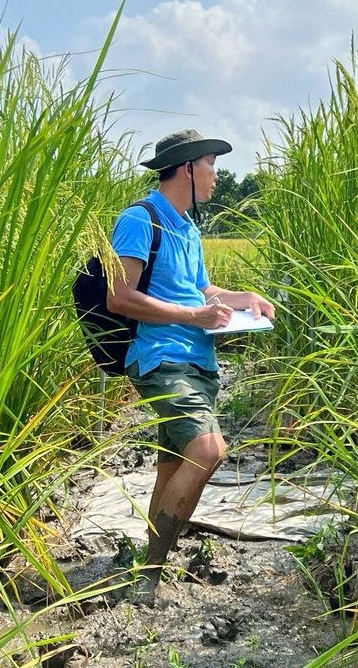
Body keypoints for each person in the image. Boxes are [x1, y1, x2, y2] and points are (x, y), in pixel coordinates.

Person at [107, 128, 276, 603]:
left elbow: (200, 291)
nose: (217, 177)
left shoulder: (188, 227)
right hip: (161, 358)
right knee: (207, 450)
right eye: (211, 165)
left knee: (173, 465)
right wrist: (193, 317)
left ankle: (147, 564)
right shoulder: (141, 221)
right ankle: (150, 578)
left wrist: (243, 299)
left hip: (198, 359)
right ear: (187, 168)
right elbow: (119, 297)